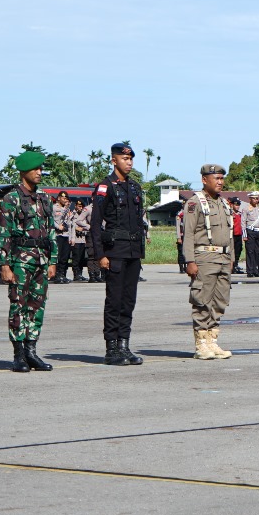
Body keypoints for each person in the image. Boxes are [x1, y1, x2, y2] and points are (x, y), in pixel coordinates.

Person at [0, 150, 57, 373]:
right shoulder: (11, 199)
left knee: (37, 306)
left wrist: (53, 261)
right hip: (20, 261)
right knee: (18, 306)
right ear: (24, 172)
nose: (40, 172)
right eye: (36, 169)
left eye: (41, 169)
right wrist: (4, 264)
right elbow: (4, 233)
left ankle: (32, 351)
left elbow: (51, 231)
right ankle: (18, 354)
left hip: (41, 260)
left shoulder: (44, 198)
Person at [90, 142, 148, 366]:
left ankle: (124, 345)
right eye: (125, 159)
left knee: (128, 301)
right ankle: (111, 348)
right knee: (114, 301)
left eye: (131, 159)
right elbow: (96, 224)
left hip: (133, 252)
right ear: (114, 160)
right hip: (115, 251)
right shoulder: (106, 186)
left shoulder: (133, 187)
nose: (129, 162)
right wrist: (100, 254)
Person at [183, 164, 235, 360]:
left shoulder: (223, 203)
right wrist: (189, 261)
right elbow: (188, 234)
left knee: (220, 301)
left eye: (222, 178)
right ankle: (201, 344)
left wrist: (231, 258)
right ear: (205, 180)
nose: (220, 182)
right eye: (216, 178)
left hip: (223, 258)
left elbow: (229, 234)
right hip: (204, 258)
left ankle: (212, 340)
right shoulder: (195, 203)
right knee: (202, 301)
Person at [51, 191, 73, 281]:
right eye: (63, 198)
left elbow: (69, 224)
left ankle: (62, 274)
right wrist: (57, 226)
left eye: (66, 199)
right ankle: (56, 275)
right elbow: (50, 219)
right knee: (58, 256)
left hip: (65, 234)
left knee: (65, 256)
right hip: (57, 234)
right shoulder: (53, 208)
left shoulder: (66, 209)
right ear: (59, 198)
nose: (65, 200)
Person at [69, 199, 89, 281]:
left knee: (81, 258)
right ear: (76, 206)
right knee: (76, 258)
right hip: (75, 239)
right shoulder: (72, 215)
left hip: (83, 239)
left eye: (81, 206)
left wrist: (83, 229)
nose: (80, 208)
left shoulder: (84, 215)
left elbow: (88, 225)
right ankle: (76, 274)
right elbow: (70, 226)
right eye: (78, 206)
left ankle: (80, 273)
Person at [230, 197, 244, 274]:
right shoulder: (230, 213)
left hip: (239, 235)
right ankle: (231, 267)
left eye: (238, 204)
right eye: (236, 204)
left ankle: (236, 265)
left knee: (238, 251)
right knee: (232, 252)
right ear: (232, 205)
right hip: (232, 235)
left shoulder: (239, 214)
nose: (237, 206)